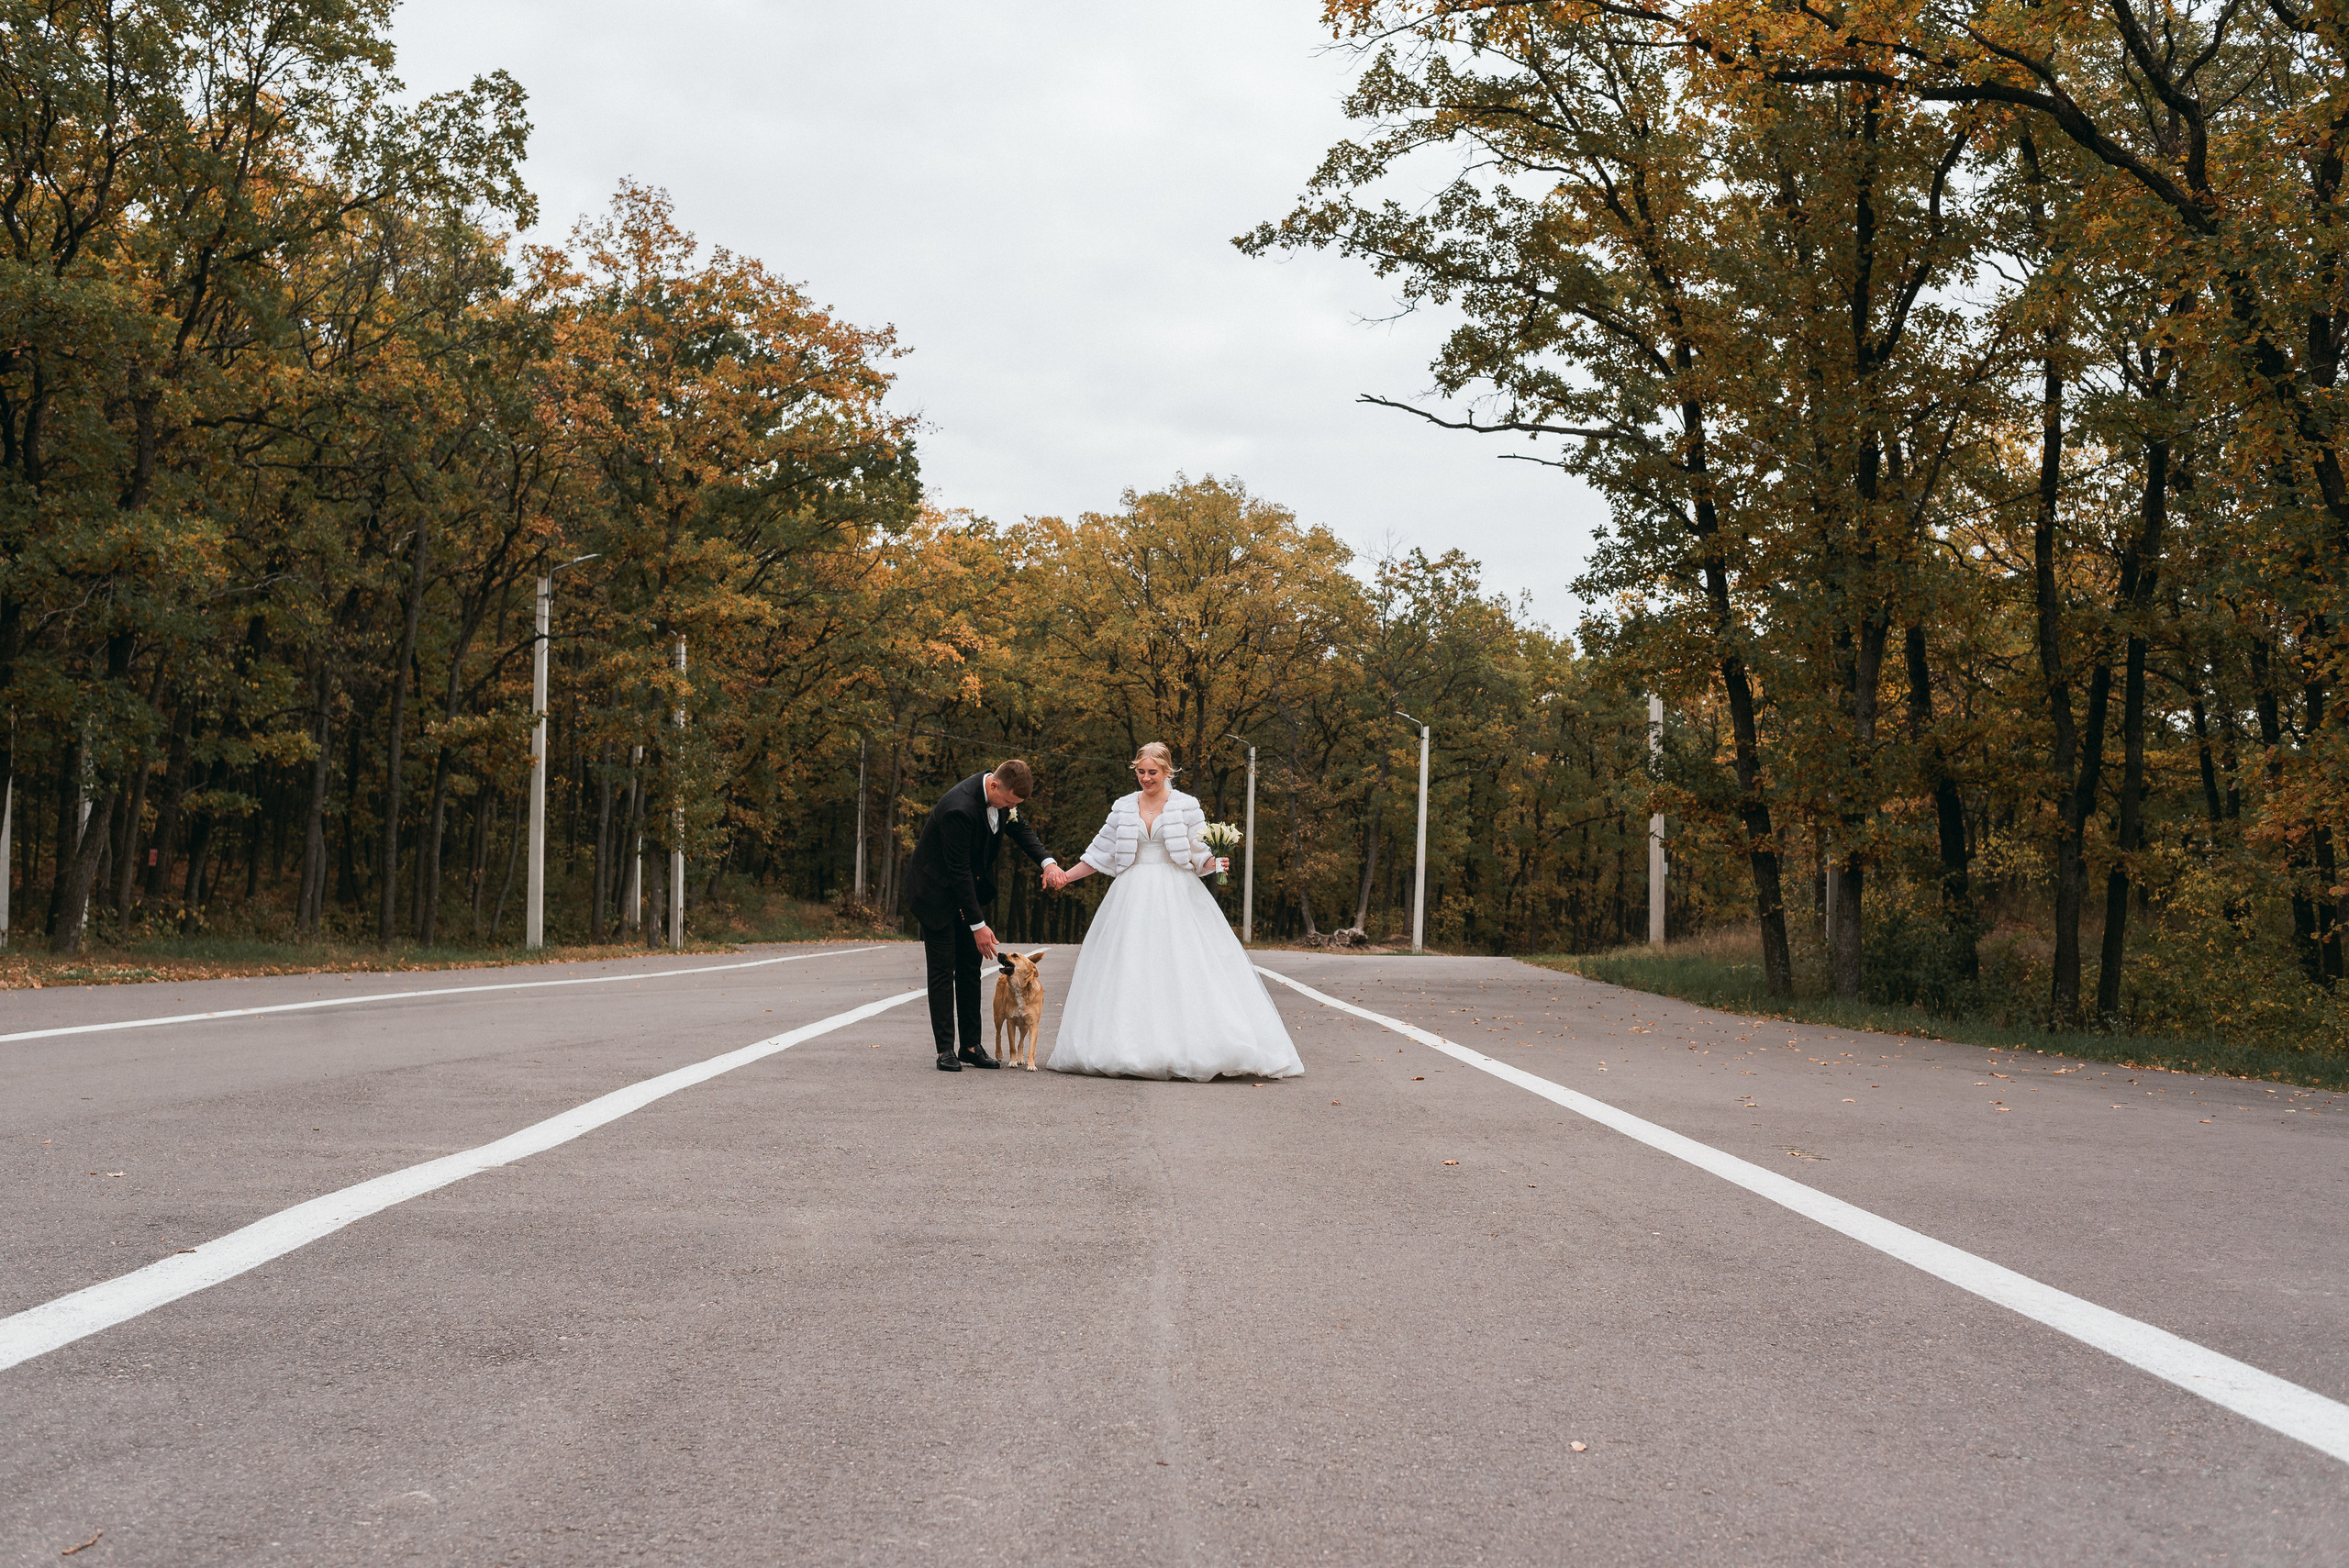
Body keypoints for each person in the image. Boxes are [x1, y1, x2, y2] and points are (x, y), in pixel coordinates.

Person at [1042, 742, 1303, 1080]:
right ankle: (1125, 1047)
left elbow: (1198, 853)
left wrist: (1215, 861)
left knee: (1184, 966)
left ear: (1168, 772)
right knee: (1130, 968)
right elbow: (1099, 854)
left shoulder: (1186, 806)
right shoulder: (1122, 807)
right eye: (1141, 772)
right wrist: (1065, 877)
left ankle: (1196, 1047)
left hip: (1178, 892)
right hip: (1130, 894)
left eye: (1153, 772)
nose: (1146, 778)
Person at [903, 760, 1061, 1072]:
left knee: (969, 966)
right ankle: (945, 1049)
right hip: (934, 892)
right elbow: (958, 871)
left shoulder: (1003, 797)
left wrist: (1048, 862)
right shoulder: (958, 810)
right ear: (994, 786)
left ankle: (971, 1045)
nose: (1010, 808)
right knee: (942, 968)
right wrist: (979, 925)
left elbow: (1020, 829)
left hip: (966, 890)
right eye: (1010, 802)